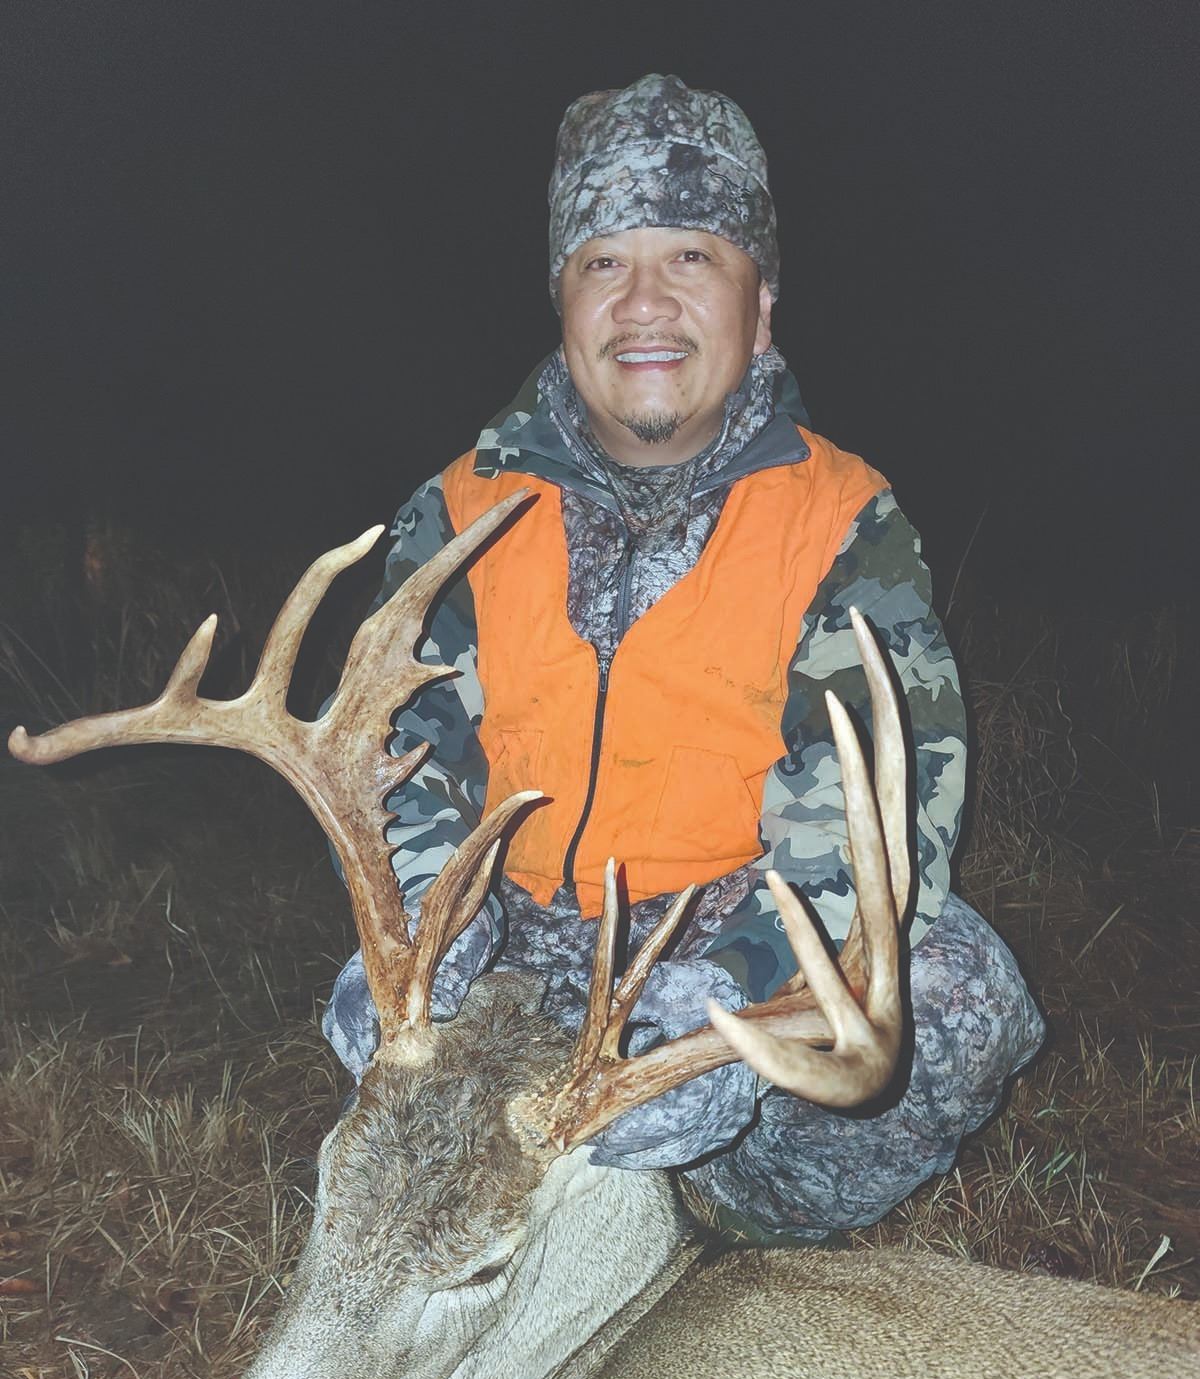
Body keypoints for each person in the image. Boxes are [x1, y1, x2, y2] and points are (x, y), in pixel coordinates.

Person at [323, 73, 1045, 1239]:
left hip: (719, 939)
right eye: (604, 261)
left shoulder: (842, 523)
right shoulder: (461, 508)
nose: (644, 304)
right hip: (512, 943)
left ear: (761, 308)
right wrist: (425, 931)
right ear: (562, 300)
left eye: (693, 257)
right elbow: (403, 755)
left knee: (953, 995)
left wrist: (725, 995)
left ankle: (724, 1226)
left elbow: (870, 824)